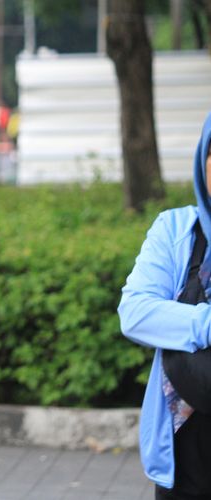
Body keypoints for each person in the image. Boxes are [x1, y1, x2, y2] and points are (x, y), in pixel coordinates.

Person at [119, 113, 211, 498]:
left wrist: (179, 321)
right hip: (186, 460)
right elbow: (136, 311)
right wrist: (206, 323)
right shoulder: (176, 230)